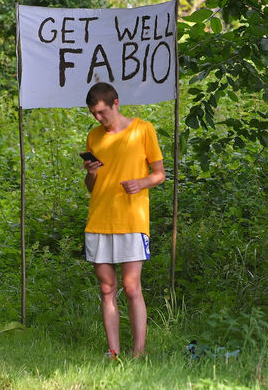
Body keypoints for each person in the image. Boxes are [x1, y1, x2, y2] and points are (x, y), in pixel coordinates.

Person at [82, 82, 165, 359]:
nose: (98, 118)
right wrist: (91, 172)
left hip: (132, 220)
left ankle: (138, 352)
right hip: (99, 220)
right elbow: (91, 187)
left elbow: (159, 174)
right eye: (94, 113)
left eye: (102, 112)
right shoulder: (94, 136)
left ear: (116, 103)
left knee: (131, 287)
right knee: (107, 288)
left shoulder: (144, 130)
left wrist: (141, 183)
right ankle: (113, 351)